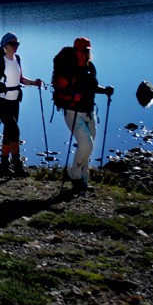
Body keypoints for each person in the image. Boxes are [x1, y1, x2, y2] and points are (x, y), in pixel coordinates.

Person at [53, 37, 114, 193]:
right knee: (86, 144)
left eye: (87, 51)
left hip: (90, 112)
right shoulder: (68, 69)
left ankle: (83, 181)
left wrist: (105, 90)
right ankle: (74, 174)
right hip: (73, 113)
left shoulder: (90, 67)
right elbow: (59, 93)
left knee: (88, 147)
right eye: (82, 51)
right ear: (75, 51)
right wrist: (72, 97)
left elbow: (92, 86)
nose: (85, 54)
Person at [0, 32, 43, 177]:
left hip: (15, 102)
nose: (16, 46)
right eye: (13, 44)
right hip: (2, 102)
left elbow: (20, 79)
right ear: (5, 45)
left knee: (8, 133)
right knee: (15, 131)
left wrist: (33, 82)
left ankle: (4, 167)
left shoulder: (17, 59)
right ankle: (17, 166)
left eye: (17, 44)